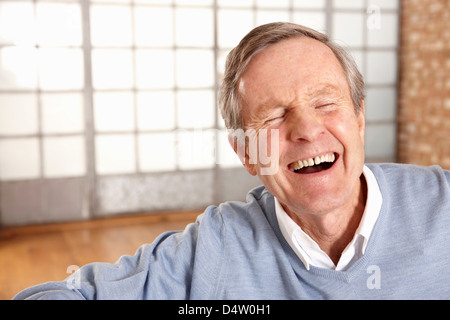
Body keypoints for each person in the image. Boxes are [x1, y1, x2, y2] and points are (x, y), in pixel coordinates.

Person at [14, 22, 450, 300]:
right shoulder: (216, 247)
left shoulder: (442, 204)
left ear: (359, 118)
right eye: (275, 115)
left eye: (326, 103)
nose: (305, 130)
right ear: (245, 152)